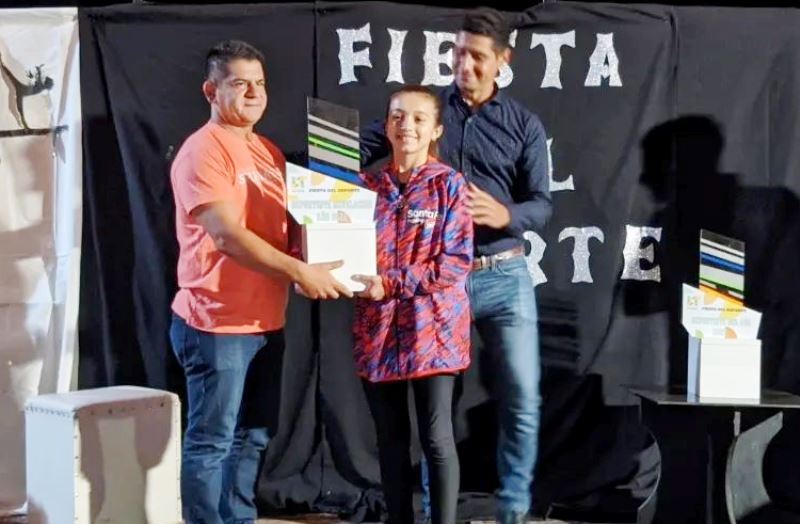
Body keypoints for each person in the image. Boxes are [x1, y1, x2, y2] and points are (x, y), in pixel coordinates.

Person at [361, 9, 552, 523]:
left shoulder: (524, 125)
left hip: (503, 273)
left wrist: (507, 214)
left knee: (522, 397)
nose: (465, 64)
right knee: (436, 414)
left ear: (503, 60)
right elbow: (354, 149)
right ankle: (430, 511)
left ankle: (513, 508)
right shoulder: (424, 110)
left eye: (478, 56)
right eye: (459, 52)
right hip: (438, 283)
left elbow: (543, 204)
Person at [169, 39, 352, 524]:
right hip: (216, 323)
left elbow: (282, 232)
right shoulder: (203, 151)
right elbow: (227, 236)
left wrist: (322, 254)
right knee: (212, 441)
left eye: (260, 83)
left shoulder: (267, 151)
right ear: (211, 90)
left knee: (252, 436)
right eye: (239, 83)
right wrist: (299, 271)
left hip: (266, 322)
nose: (253, 93)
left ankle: (239, 518)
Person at [352, 85, 473, 524]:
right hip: (378, 332)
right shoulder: (364, 188)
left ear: (436, 129)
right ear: (386, 126)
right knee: (390, 440)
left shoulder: (449, 185)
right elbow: (338, 246)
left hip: (434, 334)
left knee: (437, 439)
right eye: (398, 116)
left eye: (419, 118)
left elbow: (455, 262)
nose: (407, 126)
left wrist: (390, 283)